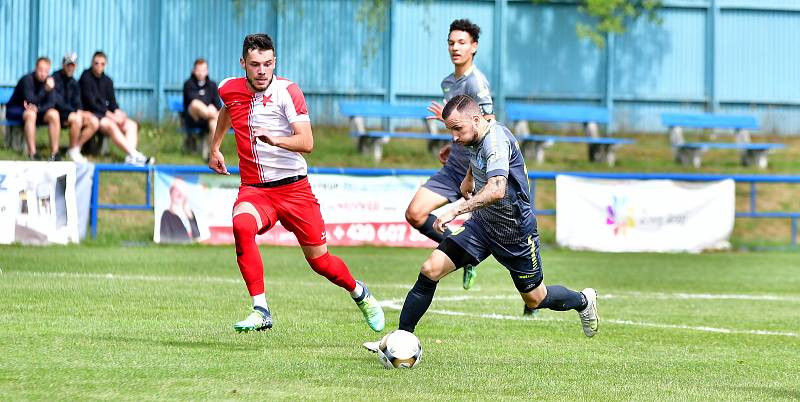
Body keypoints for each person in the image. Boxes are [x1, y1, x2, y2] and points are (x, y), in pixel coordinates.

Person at [364, 96, 599, 352]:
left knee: (535, 299)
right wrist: (468, 177)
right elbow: (478, 153)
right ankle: (400, 339)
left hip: (515, 234)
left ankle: (583, 301)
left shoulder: (496, 142)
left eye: (457, 129)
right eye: (450, 130)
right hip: (481, 227)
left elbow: (497, 189)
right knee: (430, 269)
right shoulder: (476, 133)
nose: (453, 137)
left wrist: (454, 209)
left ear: (476, 119)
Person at [208, 33, 385, 333]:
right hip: (255, 190)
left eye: (267, 63)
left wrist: (275, 139)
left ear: (274, 61)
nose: (262, 70)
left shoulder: (288, 92)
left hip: (294, 190)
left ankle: (360, 293)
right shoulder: (229, 88)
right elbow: (228, 109)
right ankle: (261, 309)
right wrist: (215, 147)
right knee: (241, 226)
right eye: (255, 65)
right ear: (243, 64)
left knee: (321, 262)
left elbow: (307, 142)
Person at [405, 19, 494, 290]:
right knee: (415, 213)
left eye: (462, 43)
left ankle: (534, 294)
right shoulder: (448, 82)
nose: (455, 48)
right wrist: (451, 142)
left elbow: (488, 121)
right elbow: (463, 123)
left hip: (475, 173)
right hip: (454, 166)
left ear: (474, 47)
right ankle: (464, 253)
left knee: (501, 235)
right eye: (451, 42)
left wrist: (469, 152)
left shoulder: (476, 83)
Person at [79, 51, 153, 166]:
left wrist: (119, 113)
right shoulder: (85, 77)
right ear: (92, 63)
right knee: (111, 125)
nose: (99, 66)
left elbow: (113, 103)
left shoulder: (108, 81)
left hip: (108, 115)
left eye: (102, 64)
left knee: (131, 125)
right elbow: (91, 104)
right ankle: (135, 154)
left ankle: (130, 158)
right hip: (93, 115)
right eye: (96, 63)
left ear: (106, 64)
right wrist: (112, 116)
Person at [7, 57, 61, 160]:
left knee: (54, 114)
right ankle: (33, 153)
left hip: (37, 111)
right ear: (36, 68)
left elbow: (52, 103)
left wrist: (39, 109)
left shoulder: (50, 81)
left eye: (45, 71)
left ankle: (55, 154)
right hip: (17, 110)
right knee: (30, 114)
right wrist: (45, 90)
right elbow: (30, 100)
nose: (43, 73)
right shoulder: (27, 80)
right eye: (40, 70)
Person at [52, 52, 100, 163]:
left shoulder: (74, 82)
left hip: (71, 113)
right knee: (77, 119)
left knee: (94, 121)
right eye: (68, 64)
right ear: (63, 64)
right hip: (58, 113)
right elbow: (57, 101)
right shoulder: (55, 78)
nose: (70, 68)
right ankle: (73, 150)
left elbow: (77, 102)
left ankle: (74, 149)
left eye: (72, 65)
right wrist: (75, 112)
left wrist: (80, 111)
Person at [182, 58, 222, 136]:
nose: (200, 73)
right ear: (193, 70)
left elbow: (218, 105)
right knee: (195, 103)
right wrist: (209, 106)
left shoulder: (212, 85)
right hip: (193, 119)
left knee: (214, 124)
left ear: (207, 71)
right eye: (198, 70)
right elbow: (192, 99)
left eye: (203, 70)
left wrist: (213, 107)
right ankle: (222, 119)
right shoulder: (188, 84)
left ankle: (213, 148)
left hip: (208, 120)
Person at [159, 178, 201, 243]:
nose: (180, 193)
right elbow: (165, 239)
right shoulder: (167, 215)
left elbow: (197, 236)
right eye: (176, 190)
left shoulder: (190, 213)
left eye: (182, 190)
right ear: (171, 193)